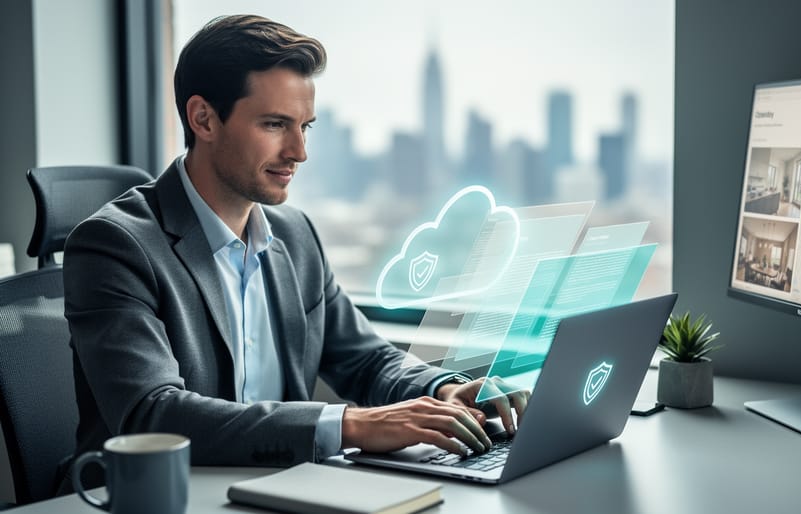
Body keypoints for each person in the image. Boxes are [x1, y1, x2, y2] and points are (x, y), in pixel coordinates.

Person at [60, 14, 527, 490]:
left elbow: (364, 359)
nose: (299, 151)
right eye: (275, 124)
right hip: (158, 496)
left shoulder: (295, 234)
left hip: (278, 487)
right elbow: (153, 414)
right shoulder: (114, 246)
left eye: (305, 126)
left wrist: (440, 390)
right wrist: (349, 425)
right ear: (204, 118)